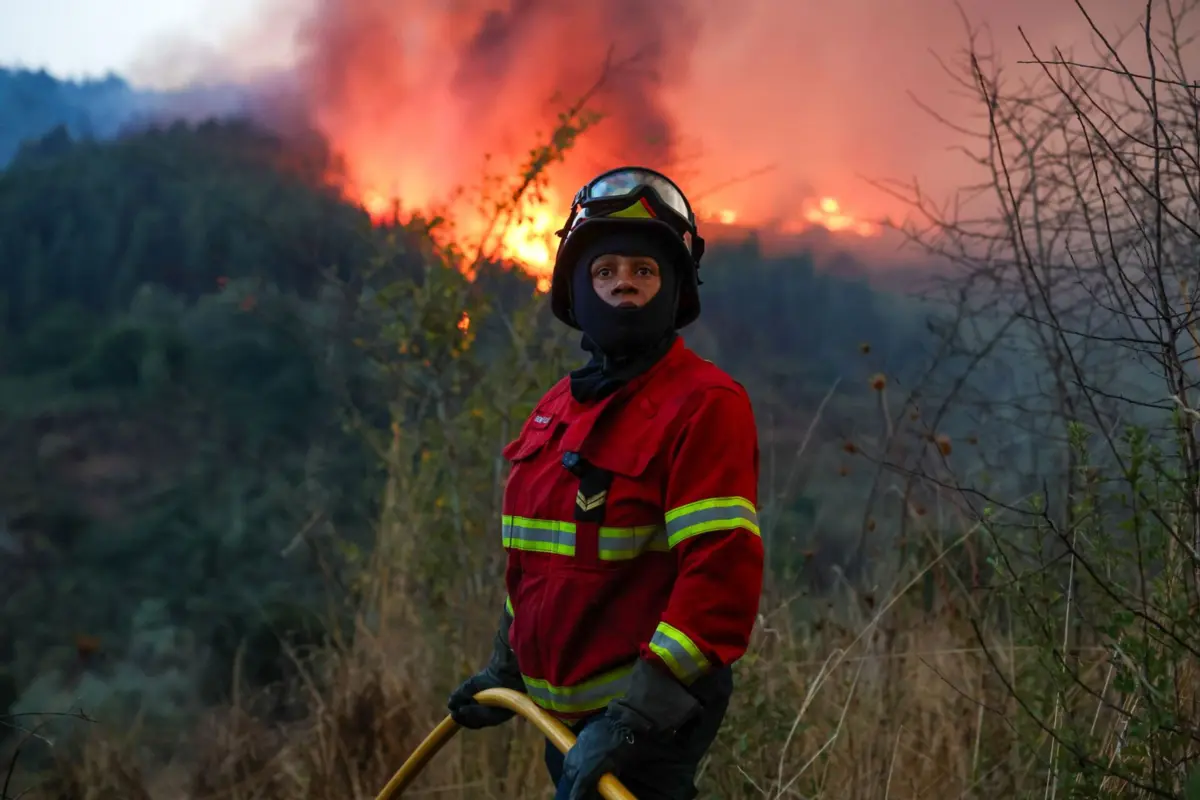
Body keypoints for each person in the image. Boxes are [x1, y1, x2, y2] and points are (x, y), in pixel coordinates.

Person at [447, 166, 764, 800]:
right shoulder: (555, 410)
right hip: (565, 722)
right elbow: (538, 564)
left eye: (644, 271)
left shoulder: (705, 404)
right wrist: (506, 666)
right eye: (605, 270)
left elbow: (719, 577)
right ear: (577, 289)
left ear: (674, 289)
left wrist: (633, 719)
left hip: (649, 722)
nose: (624, 282)